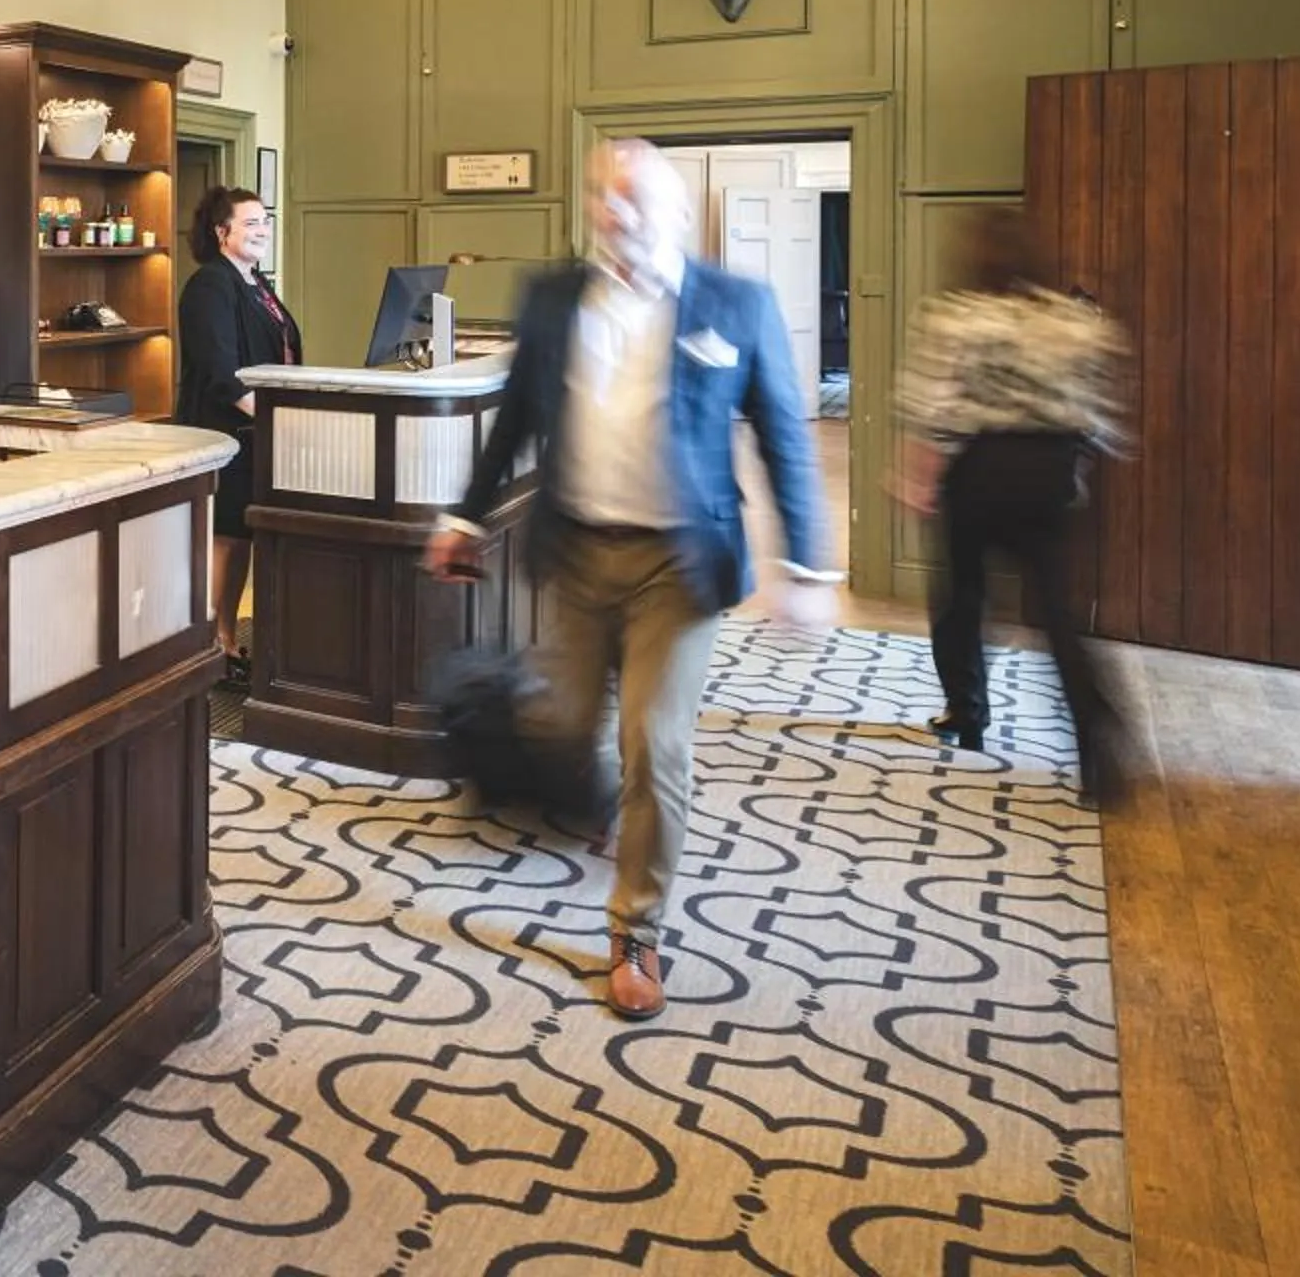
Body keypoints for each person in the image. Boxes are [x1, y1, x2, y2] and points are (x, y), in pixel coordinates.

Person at [423, 138, 840, 1021]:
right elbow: (515, 428)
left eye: (633, 200)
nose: (614, 214)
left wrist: (805, 561)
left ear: (677, 214)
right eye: (603, 199)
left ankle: (635, 930)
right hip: (576, 554)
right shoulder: (552, 301)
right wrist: (466, 517)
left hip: (677, 566)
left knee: (659, 740)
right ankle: (606, 802)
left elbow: (783, 438)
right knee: (565, 726)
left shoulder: (737, 304)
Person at [892, 210, 1132, 800]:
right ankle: (1095, 740)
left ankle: (967, 712)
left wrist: (915, 477)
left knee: (961, 600)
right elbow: (1098, 417)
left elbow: (933, 408)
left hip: (980, 470)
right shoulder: (1075, 323)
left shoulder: (956, 318)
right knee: (1055, 614)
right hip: (1049, 476)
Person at [176, 187, 301, 682]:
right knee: (225, 539)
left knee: (241, 536)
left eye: (265, 220)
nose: (262, 229)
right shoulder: (210, 285)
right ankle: (208, 645)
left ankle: (227, 638)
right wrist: (268, 418)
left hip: (255, 433)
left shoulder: (256, 283)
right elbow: (220, 371)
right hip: (223, 433)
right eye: (250, 222)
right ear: (220, 230)